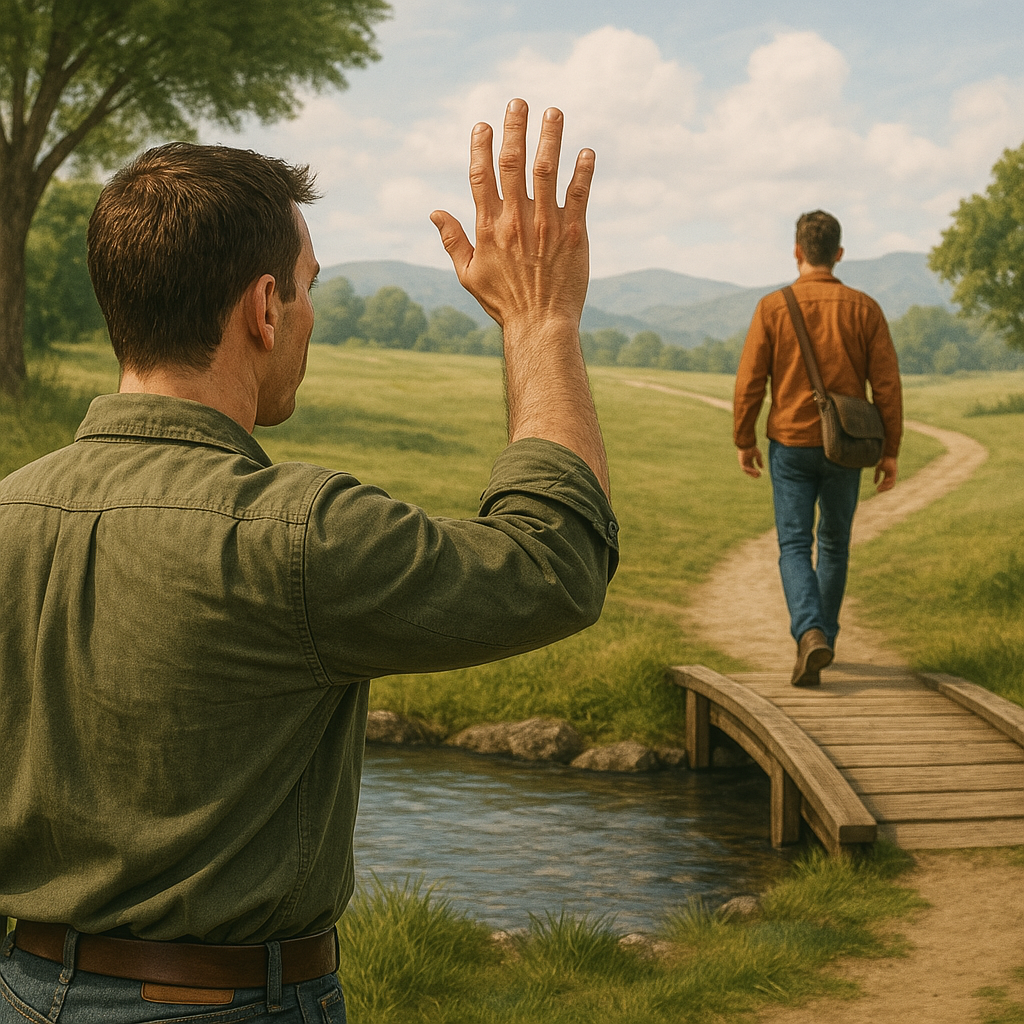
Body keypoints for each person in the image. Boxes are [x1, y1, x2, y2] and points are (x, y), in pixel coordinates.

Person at [0, 99, 618, 1023]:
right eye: (308, 285)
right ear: (262, 306)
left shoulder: (9, 513)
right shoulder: (295, 535)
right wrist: (541, 321)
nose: (310, 316)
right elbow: (554, 560)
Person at [733, 210, 902, 686]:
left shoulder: (772, 307)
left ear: (797, 251)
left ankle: (810, 633)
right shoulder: (864, 308)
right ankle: (823, 633)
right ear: (840, 254)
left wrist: (744, 439)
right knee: (834, 543)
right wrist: (889, 450)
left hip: (789, 442)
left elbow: (750, 382)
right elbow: (886, 385)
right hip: (846, 446)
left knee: (793, 544)